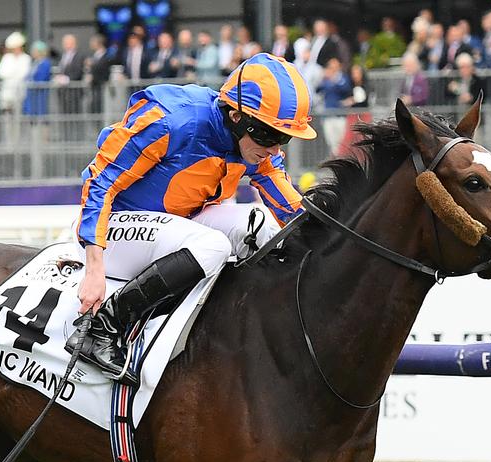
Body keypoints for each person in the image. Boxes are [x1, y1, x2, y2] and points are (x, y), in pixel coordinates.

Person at [68, 53, 317, 381]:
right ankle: (103, 329)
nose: (275, 149)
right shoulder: (170, 119)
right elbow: (100, 181)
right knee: (213, 245)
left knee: (264, 227)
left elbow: (292, 212)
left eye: (282, 138)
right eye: (269, 136)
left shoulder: (254, 143)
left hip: (178, 229)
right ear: (236, 116)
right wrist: (94, 268)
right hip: (116, 229)